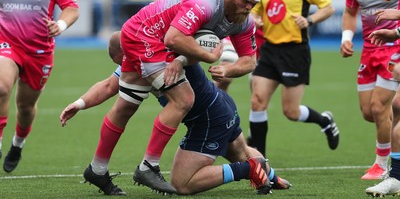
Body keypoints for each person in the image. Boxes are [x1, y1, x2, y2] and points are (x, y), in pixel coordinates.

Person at [79, 0, 264, 194]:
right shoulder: (203, 4)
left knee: (126, 105)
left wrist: (226, 69)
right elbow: (174, 38)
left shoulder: (243, 21)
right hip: (145, 37)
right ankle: (148, 166)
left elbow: (249, 61)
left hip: (157, 42)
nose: (248, 8)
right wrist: (209, 57)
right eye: (245, 1)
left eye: (253, 4)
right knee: (184, 99)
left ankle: (97, 169)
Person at [60, 31, 292, 196]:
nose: (125, 68)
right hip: (222, 106)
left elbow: (112, 89)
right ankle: (272, 177)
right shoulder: (141, 55)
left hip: (207, 120)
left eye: (122, 62)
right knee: (241, 152)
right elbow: (108, 85)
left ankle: (249, 170)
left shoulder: (147, 59)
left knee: (183, 184)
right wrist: (79, 104)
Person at [248, 0, 337, 158]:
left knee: (291, 112)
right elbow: (254, 10)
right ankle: (260, 162)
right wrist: (255, 18)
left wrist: (310, 20)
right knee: (257, 101)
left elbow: (328, 7)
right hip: (270, 50)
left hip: (295, 52)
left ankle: (324, 121)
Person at [0, 0, 79, 173]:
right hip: (7, 44)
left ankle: (17, 144)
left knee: (25, 108)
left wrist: (60, 25)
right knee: (1, 87)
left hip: (39, 52)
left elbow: (72, 8)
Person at [340, 0, 400, 180]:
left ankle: (382, 165)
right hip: (369, 49)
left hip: (394, 45)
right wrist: (346, 38)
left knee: (379, 107)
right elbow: (349, 12)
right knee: (369, 112)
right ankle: (395, 142)